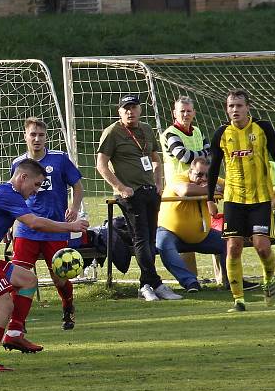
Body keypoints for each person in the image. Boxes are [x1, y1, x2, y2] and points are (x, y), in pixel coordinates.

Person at [0, 158, 88, 372]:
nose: (35, 192)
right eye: (35, 185)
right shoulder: (9, 194)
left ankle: (15, 333)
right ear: (22, 177)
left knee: (27, 279)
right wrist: (71, 226)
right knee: (4, 305)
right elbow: (34, 222)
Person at [96, 94, 181, 302]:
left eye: (133, 107)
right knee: (141, 238)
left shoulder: (146, 129)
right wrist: (120, 187)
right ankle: (155, 284)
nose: (129, 112)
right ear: (119, 111)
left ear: (140, 110)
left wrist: (159, 184)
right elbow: (101, 164)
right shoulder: (112, 132)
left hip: (149, 191)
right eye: (125, 108)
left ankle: (147, 284)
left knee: (151, 240)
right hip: (130, 194)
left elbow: (156, 159)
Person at [207, 89, 275, 313]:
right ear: (227, 109)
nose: (235, 110)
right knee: (233, 247)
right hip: (233, 199)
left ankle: (268, 280)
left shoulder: (263, 128)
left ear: (248, 107)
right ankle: (238, 299)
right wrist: (210, 198)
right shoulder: (222, 133)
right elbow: (213, 168)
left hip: (260, 198)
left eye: (239, 106)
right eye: (231, 106)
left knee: (262, 247)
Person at [9, 117, 83, 334]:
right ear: (25, 136)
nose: (37, 139)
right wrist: (8, 226)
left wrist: (75, 207)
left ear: (47, 137)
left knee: (59, 279)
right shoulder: (18, 164)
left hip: (54, 229)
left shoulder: (59, 160)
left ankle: (68, 305)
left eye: (41, 135)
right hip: (26, 230)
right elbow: (12, 196)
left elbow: (77, 186)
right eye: (33, 134)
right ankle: (18, 323)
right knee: (19, 278)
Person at [156, 157, 260, 293]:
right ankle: (191, 283)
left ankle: (233, 280)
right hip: (170, 232)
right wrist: (213, 190)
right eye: (199, 175)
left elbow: (234, 187)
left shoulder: (211, 181)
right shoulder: (177, 179)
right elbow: (185, 190)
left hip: (202, 236)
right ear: (190, 171)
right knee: (163, 245)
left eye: (208, 175)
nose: (204, 178)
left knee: (229, 241)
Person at [159, 96, 212, 279]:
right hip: (178, 190)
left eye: (189, 111)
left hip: (199, 185)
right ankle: (192, 280)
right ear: (174, 113)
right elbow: (183, 156)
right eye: (182, 111)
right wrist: (202, 155)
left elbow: (209, 156)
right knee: (183, 232)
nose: (185, 114)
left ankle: (223, 279)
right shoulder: (170, 133)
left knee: (206, 225)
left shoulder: (197, 131)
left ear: (194, 113)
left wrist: (200, 156)